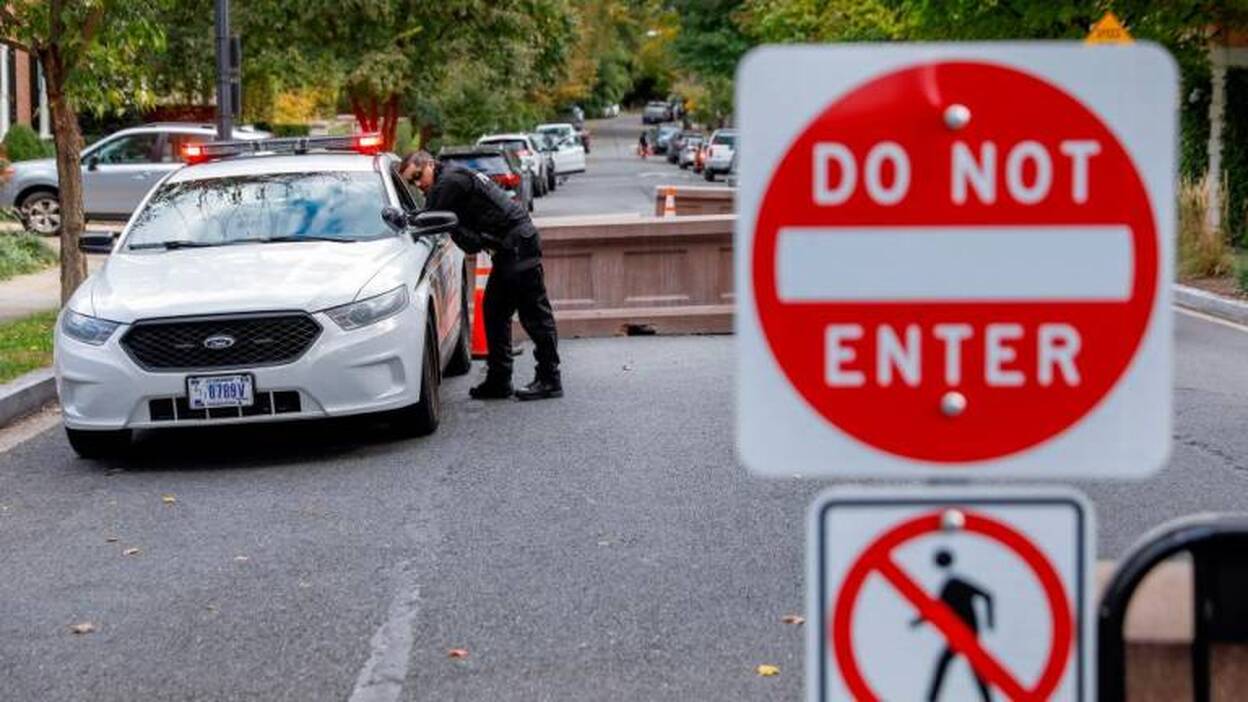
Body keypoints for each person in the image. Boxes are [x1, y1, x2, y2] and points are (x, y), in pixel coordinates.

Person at [399, 151, 562, 401]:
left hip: (517, 245)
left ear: (430, 164)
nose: (418, 184)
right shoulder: (452, 177)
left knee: (535, 316)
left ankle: (550, 379)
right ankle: (499, 380)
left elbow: (425, 219)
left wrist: (399, 219)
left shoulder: (449, 182)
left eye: (418, 176)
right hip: (510, 247)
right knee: (494, 312)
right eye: (412, 182)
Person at [911, 549, 994, 702]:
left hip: (966, 635)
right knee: (965, 669)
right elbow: (936, 609)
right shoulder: (948, 586)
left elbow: (988, 595)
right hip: (957, 635)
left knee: (971, 670)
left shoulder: (956, 584)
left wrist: (990, 622)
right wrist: (919, 621)